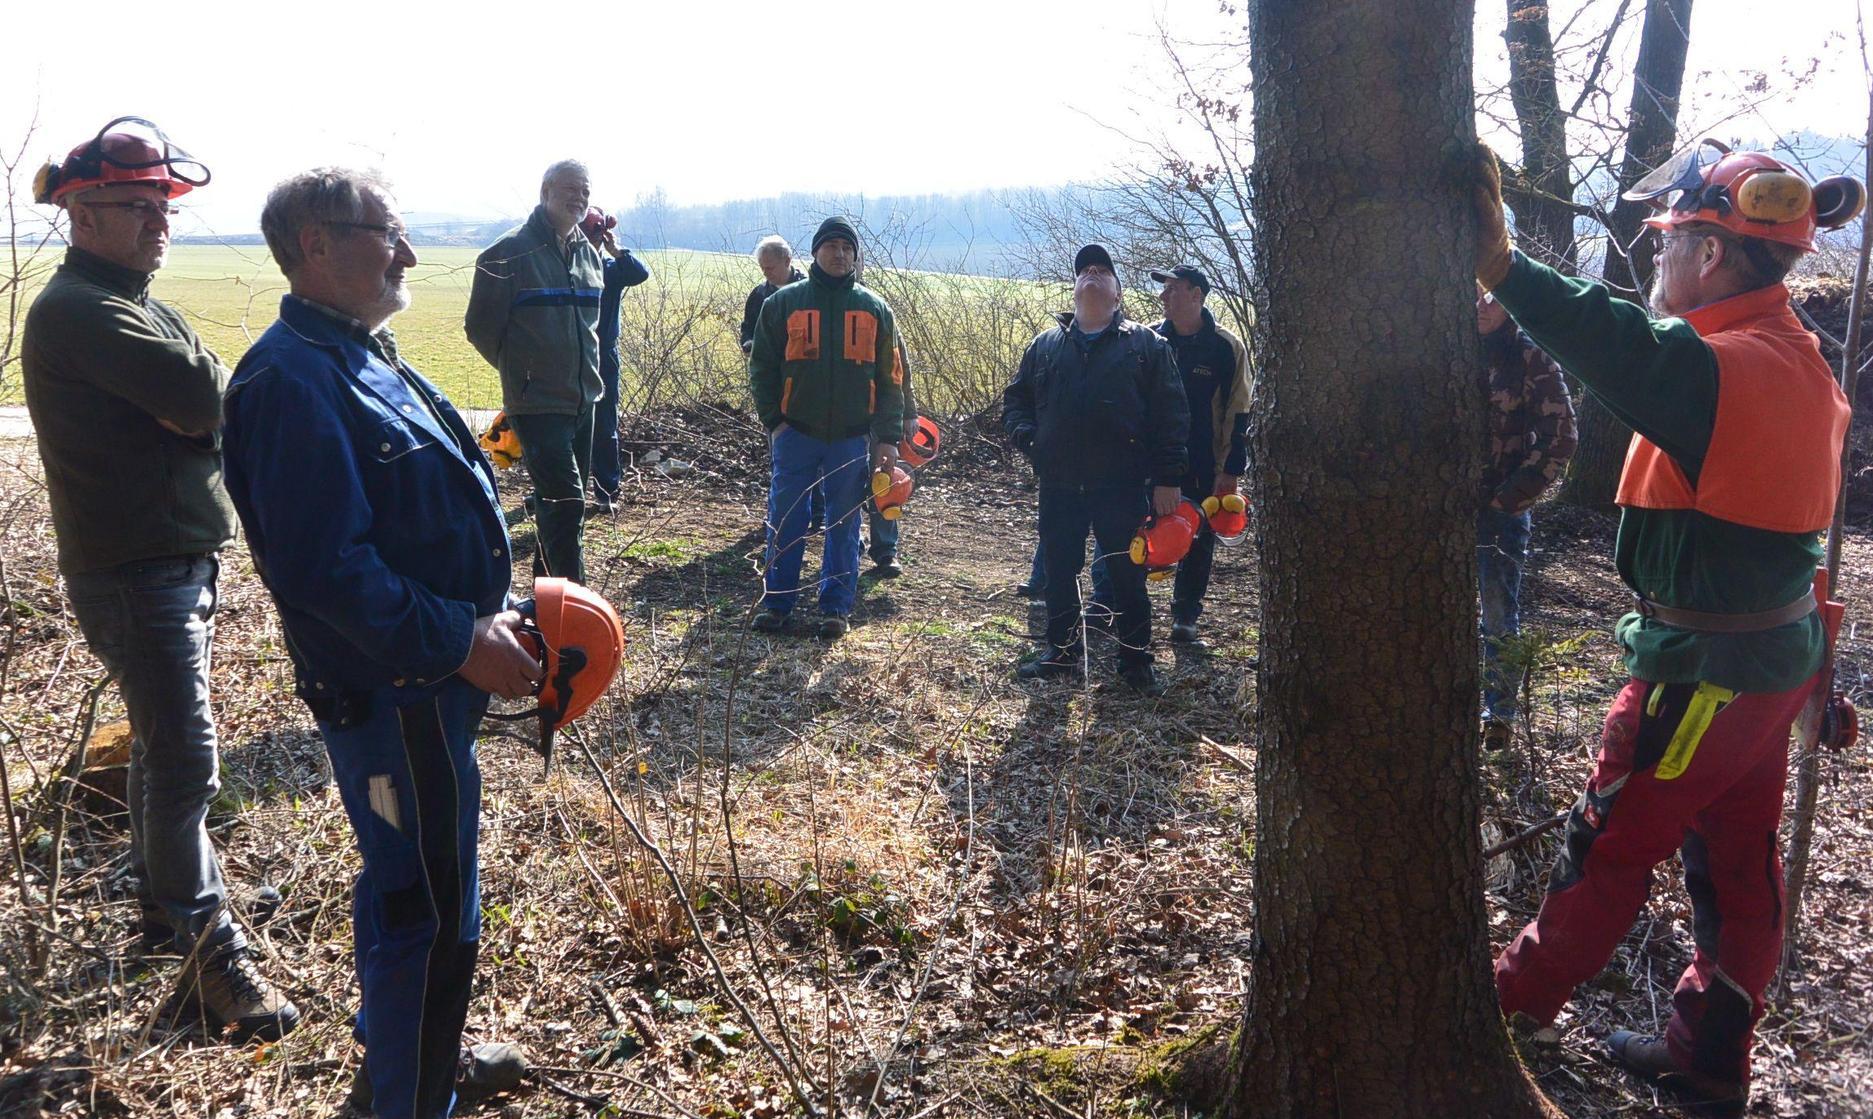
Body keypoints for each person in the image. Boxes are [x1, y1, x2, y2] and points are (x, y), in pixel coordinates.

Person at [1474, 142, 1861, 1117]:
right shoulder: (1796, 359)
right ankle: (1708, 1054)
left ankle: (1500, 1011)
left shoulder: (1723, 367)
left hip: (1704, 674)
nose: (1657, 259)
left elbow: (1614, 343)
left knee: (1608, 839)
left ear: (1711, 253)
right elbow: (1799, 535)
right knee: (1736, 865)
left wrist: (1504, 268)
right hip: (1768, 667)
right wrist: (1819, 674)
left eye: (1669, 242)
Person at [226, 168, 541, 1119]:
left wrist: (500, 611)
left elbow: (415, 521)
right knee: (427, 914)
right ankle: (407, 1097)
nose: (407, 253)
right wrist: (460, 637)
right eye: (388, 233)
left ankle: (403, 1063)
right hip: (397, 699)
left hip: (428, 690)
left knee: (417, 892)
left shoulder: (358, 351)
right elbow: (326, 572)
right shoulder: (289, 381)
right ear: (316, 244)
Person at [21, 117, 298, 1041]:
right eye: (137, 206)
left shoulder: (131, 300)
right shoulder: (80, 308)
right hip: (137, 572)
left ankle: (162, 908)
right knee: (184, 761)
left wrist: (201, 394)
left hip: (167, 562)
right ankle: (209, 956)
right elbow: (201, 396)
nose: (159, 222)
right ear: (81, 215)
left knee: (157, 748)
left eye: (164, 207)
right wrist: (200, 395)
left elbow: (203, 397)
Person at [1003, 244, 1188, 695]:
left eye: (1102, 270)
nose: (1092, 274)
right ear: (1073, 290)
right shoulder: (1045, 346)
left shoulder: (1146, 346)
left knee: (1127, 573)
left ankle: (1136, 661)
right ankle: (1062, 652)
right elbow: (1016, 400)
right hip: (1060, 482)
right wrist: (1031, 441)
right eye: (1085, 269)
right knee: (1059, 569)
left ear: (1118, 293)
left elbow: (1172, 415)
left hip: (1121, 483)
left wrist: (1168, 479)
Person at [747, 216, 904, 638]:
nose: (840, 254)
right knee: (786, 518)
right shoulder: (782, 304)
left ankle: (835, 607)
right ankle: (777, 603)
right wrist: (775, 421)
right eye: (832, 246)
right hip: (795, 433)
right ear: (815, 252)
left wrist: (888, 438)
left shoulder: (874, 308)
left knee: (844, 523)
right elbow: (761, 367)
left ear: (855, 256)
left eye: (847, 248)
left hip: (851, 438)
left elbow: (892, 378)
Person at [464, 159, 604, 583]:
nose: (579, 198)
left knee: (558, 506)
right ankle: (575, 603)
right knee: (567, 503)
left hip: (585, 401)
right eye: (571, 188)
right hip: (538, 404)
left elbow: (590, 329)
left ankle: (548, 597)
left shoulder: (589, 254)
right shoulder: (507, 253)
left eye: (585, 191)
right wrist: (524, 374)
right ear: (545, 192)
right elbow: (480, 328)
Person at [1474, 286, 1577, 751]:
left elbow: (1562, 438)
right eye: (1474, 295)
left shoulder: (1529, 355)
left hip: (1500, 512)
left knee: (1498, 614)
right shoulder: (1447, 346)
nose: (1481, 306)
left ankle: (1499, 716)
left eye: (1492, 297)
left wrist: (1509, 498)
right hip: (1441, 509)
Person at [1147, 264, 1253, 645]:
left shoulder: (1227, 347)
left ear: (1197, 295)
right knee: (1139, 530)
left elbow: (1240, 412)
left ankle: (1185, 617)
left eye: (1173, 289)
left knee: (1199, 538)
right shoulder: (1149, 339)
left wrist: (1231, 469)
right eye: (1163, 289)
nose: (1164, 296)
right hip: (1152, 461)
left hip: (1204, 461)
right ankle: (1123, 610)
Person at [580, 207, 651, 513]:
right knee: (563, 423)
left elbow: (639, 273)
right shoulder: (564, 264)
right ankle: (559, 490)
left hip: (603, 353)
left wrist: (616, 250)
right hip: (568, 351)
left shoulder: (610, 268)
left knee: (604, 423)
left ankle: (606, 491)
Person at [865, 340, 918, 578]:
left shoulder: (886, 323)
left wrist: (909, 412)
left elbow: (900, 368)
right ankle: (850, 545)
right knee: (844, 483)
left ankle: (886, 551)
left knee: (884, 484)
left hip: (881, 417)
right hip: (843, 418)